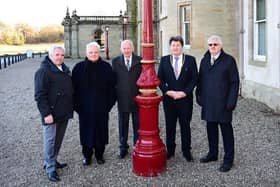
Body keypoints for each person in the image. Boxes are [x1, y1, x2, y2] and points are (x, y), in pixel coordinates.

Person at [196, 35, 240, 172]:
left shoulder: (229, 61)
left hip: (224, 103)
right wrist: (199, 96)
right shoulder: (204, 61)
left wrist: (231, 101)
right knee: (211, 129)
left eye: (215, 44)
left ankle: (228, 160)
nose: (213, 47)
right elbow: (200, 80)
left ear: (220, 45)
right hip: (209, 103)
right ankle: (213, 153)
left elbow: (234, 83)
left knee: (226, 131)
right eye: (210, 45)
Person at [72, 42, 116, 166]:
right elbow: (73, 90)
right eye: (91, 52)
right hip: (84, 109)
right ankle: (87, 156)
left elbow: (113, 88)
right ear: (86, 53)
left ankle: (99, 155)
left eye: (95, 52)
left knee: (101, 132)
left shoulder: (106, 67)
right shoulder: (78, 68)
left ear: (99, 53)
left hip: (102, 108)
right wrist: (77, 107)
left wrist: (108, 105)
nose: (93, 54)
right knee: (86, 133)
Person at [34, 46, 73, 182]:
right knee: (50, 141)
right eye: (57, 55)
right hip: (51, 114)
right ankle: (50, 168)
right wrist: (46, 114)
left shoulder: (65, 69)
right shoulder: (43, 71)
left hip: (63, 112)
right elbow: (39, 95)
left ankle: (53, 160)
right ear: (50, 55)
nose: (60, 57)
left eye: (62, 55)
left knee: (58, 140)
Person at [157, 36, 198, 161]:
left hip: (185, 99)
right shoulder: (164, 60)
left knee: (185, 125)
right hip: (169, 99)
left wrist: (184, 93)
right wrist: (167, 91)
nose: (175, 47)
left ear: (182, 46)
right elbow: (160, 79)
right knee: (170, 126)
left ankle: (186, 151)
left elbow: (194, 79)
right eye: (173, 45)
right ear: (170, 47)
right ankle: (170, 150)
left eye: (178, 45)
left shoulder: (190, 60)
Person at [112, 40, 142, 159]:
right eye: (124, 48)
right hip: (122, 98)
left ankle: (137, 145)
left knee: (137, 124)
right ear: (121, 49)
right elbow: (113, 80)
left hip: (137, 98)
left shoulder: (140, 61)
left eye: (128, 48)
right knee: (122, 124)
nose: (126, 50)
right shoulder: (115, 62)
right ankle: (123, 147)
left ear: (132, 48)